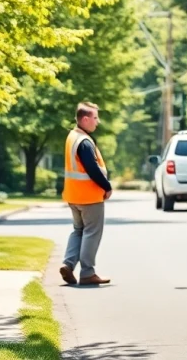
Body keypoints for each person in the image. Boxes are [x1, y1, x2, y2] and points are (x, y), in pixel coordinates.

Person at [59, 102, 113, 286]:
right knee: (92, 232)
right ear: (85, 119)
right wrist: (107, 186)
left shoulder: (72, 137)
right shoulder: (84, 142)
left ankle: (68, 264)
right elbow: (92, 168)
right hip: (89, 196)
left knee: (79, 230)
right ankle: (88, 273)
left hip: (74, 195)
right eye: (95, 118)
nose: (97, 122)